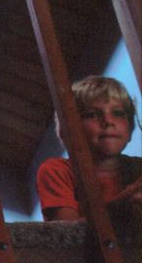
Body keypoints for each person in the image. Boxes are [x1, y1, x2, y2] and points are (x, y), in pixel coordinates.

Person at [36, 76, 141, 231]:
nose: (108, 121)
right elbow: (67, 236)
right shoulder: (57, 170)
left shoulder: (138, 167)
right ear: (68, 130)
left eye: (118, 113)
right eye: (92, 114)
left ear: (131, 127)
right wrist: (122, 204)